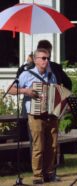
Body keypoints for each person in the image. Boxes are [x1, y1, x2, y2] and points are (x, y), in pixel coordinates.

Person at [8, 48, 69, 185]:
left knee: (52, 146)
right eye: (43, 58)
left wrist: (61, 104)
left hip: (51, 115)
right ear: (35, 60)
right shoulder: (25, 74)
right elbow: (10, 89)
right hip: (35, 115)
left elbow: (55, 92)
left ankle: (49, 173)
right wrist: (26, 91)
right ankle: (37, 175)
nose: (46, 61)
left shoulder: (51, 74)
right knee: (38, 146)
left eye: (47, 58)